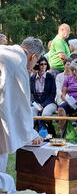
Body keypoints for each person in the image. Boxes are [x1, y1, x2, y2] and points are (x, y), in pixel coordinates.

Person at [0, 37, 44, 172]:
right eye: (36, 61)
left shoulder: (6, 50)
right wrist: (31, 133)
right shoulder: (19, 63)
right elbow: (20, 104)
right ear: (33, 56)